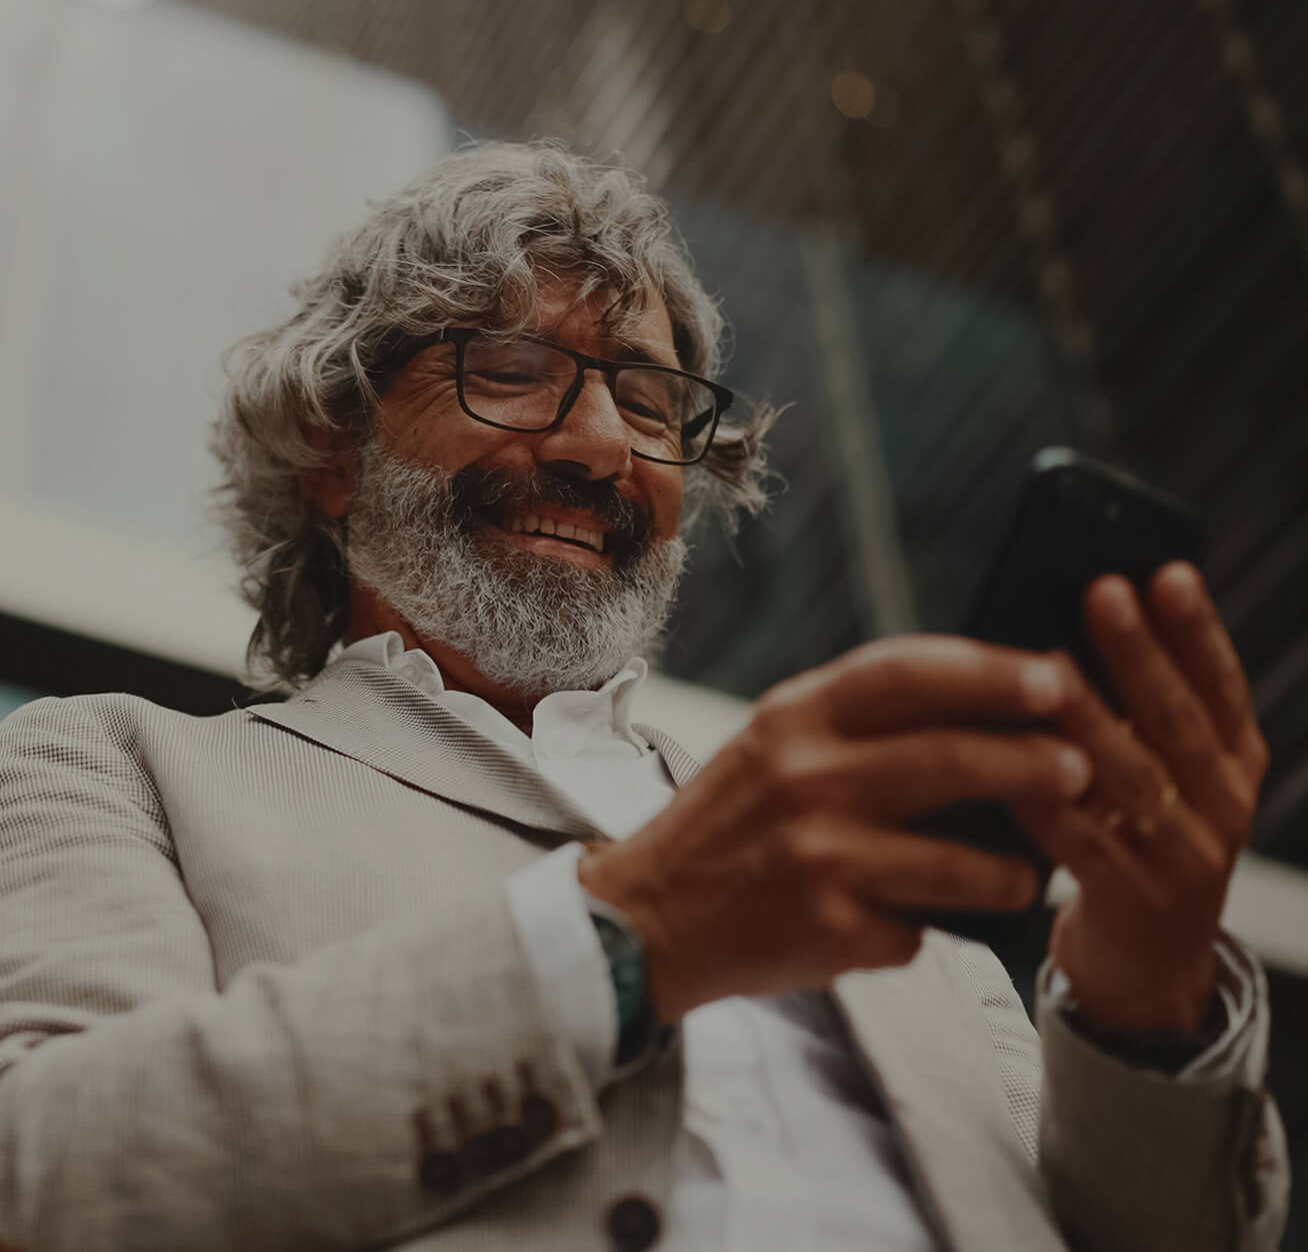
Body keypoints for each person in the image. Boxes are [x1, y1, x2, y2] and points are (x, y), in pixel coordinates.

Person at [0, 141, 1289, 1252]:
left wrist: (1145, 996)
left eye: (647, 394)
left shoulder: (863, 863)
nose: (605, 444)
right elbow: (43, 1177)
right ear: (336, 452)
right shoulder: (118, 769)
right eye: (510, 368)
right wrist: (626, 939)